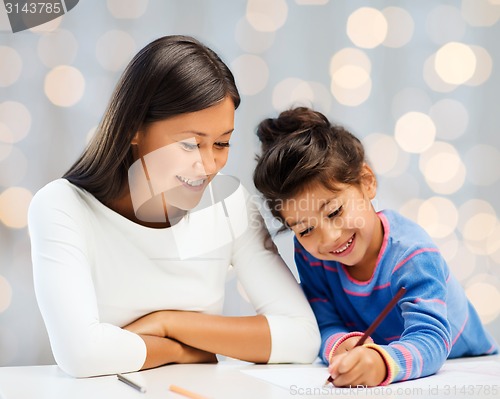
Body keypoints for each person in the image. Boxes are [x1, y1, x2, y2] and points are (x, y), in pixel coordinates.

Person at [28, 35, 320, 378]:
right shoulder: (62, 207)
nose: (210, 164)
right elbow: (80, 354)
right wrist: (189, 351)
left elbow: (302, 339)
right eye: (189, 144)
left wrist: (168, 324)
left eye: (222, 143)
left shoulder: (229, 207)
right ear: (134, 130)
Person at [252, 107, 498, 387]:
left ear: (367, 182)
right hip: (395, 371)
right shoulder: (312, 258)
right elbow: (324, 322)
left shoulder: (413, 255)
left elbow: (431, 339)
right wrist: (339, 346)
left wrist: (381, 363)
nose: (329, 237)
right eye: (305, 229)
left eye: (334, 212)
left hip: (467, 368)